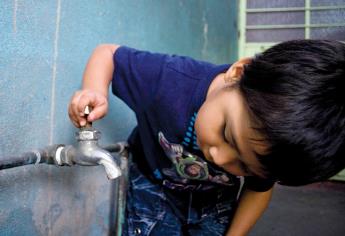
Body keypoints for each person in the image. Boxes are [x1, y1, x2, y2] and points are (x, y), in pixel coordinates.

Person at [68, 40, 345, 235]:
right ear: (237, 73)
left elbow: (258, 190)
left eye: (246, 167)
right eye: (227, 134)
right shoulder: (168, 81)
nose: (219, 157)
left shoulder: (274, 145)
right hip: (154, 186)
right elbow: (108, 54)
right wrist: (95, 91)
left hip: (214, 198)